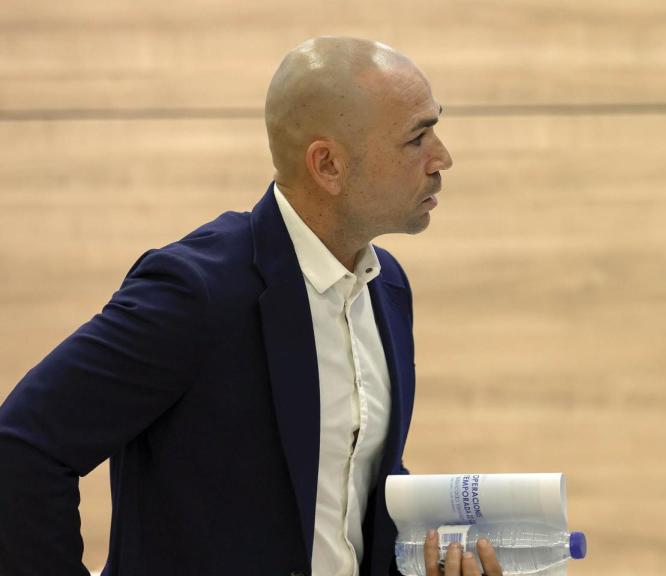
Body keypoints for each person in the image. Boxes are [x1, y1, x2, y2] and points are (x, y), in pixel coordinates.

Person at [0, 36, 499, 576]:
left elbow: (343, 500)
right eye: (416, 137)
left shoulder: (387, 287)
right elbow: (22, 450)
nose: (442, 157)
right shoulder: (197, 291)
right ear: (328, 165)